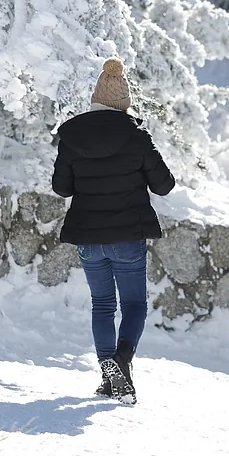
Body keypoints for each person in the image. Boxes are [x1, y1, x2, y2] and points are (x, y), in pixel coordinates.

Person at [51, 57, 175, 405]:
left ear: (95, 100)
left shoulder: (71, 135)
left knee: (102, 305)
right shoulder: (137, 136)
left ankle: (110, 379)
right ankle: (120, 361)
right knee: (134, 304)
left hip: (89, 237)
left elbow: (62, 188)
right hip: (127, 236)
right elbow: (163, 186)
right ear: (124, 103)